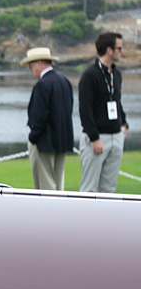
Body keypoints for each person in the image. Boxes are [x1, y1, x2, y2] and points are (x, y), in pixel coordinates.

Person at [78, 32, 129, 193]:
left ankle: (105, 219)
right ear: (109, 50)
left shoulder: (116, 74)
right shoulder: (89, 75)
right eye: (119, 48)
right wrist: (94, 137)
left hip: (116, 136)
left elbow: (116, 101)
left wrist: (124, 123)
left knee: (108, 190)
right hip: (97, 139)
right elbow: (85, 109)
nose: (122, 52)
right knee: (89, 189)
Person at [21, 47, 74, 190]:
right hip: (62, 140)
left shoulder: (42, 85)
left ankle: (48, 212)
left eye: (31, 66)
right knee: (59, 183)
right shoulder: (64, 81)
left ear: (39, 63)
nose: (31, 70)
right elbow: (68, 111)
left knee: (46, 185)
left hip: (44, 142)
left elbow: (39, 116)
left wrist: (33, 137)